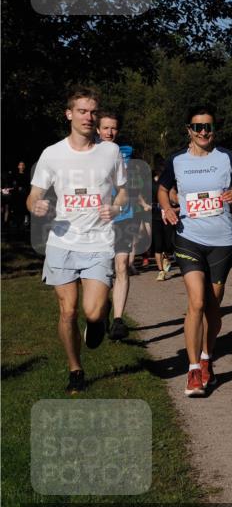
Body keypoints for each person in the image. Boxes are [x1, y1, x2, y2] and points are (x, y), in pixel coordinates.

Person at [26, 87, 127, 392]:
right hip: (62, 242)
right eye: (82, 111)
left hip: (98, 242)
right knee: (67, 311)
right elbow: (33, 196)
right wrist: (37, 206)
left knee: (92, 311)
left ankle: (99, 318)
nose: (88, 116)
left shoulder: (110, 151)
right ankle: (75, 369)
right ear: (69, 114)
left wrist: (116, 206)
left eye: (93, 111)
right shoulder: (52, 154)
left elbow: (123, 189)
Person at [158, 104, 232, 397]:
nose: (203, 132)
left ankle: (208, 357)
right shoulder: (177, 160)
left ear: (213, 129)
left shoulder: (226, 158)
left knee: (213, 306)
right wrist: (166, 207)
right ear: (189, 130)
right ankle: (193, 369)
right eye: (197, 127)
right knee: (196, 302)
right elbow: (163, 187)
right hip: (189, 237)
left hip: (222, 240)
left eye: (208, 126)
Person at [97, 112, 141, 341]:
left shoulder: (126, 151)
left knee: (122, 265)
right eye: (105, 128)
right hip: (97, 220)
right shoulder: (88, 151)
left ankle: (118, 320)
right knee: (102, 270)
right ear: (97, 130)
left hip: (124, 216)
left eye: (113, 128)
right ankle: (101, 308)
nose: (109, 132)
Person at [150, 158, 176, 280]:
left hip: (167, 213)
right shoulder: (150, 182)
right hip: (154, 214)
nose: (160, 169)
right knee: (158, 244)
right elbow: (141, 195)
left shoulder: (168, 182)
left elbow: (173, 196)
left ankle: (166, 256)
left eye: (162, 167)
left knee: (168, 242)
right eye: (158, 167)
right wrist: (144, 204)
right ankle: (160, 271)